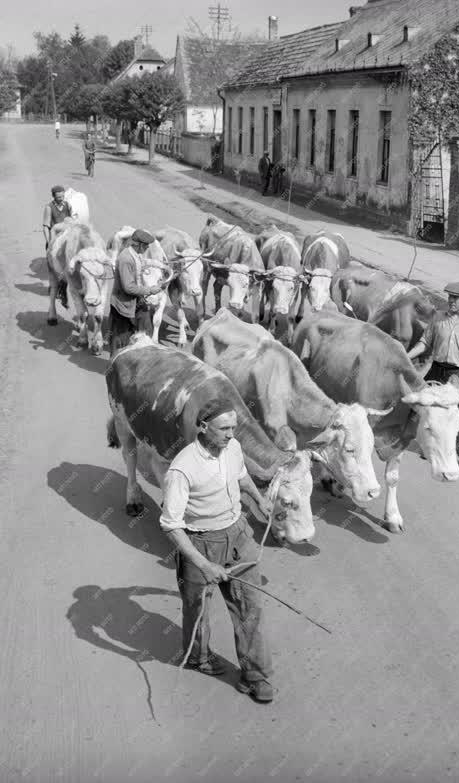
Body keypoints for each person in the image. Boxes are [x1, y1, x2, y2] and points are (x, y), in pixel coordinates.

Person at [160, 399, 274, 703]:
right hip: (200, 543)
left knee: (250, 607)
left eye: (234, 427)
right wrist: (203, 564)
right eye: (224, 428)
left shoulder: (232, 447)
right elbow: (171, 525)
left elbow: (240, 475)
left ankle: (255, 674)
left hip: (238, 535)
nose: (231, 434)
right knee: (197, 609)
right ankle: (199, 657)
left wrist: (258, 497)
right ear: (203, 426)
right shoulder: (182, 469)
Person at [408, 282, 459, 473]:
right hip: (438, 371)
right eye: (450, 297)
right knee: (433, 413)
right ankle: (432, 449)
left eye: (455, 298)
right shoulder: (438, 318)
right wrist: (407, 355)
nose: (450, 301)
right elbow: (425, 342)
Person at [107, 228, 162, 356]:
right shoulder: (126, 259)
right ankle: (115, 365)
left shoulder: (136, 255)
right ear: (139, 245)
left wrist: (164, 267)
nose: (148, 248)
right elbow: (129, 287)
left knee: (146, 331)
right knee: (121, 340)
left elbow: (143, 263)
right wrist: (150, 290)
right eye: (146, 245)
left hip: (137, 302)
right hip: (123, 305)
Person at [42, 185, 74, 308]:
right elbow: (45, 226)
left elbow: (71, 220)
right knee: (54, 269)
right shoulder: (49, 208)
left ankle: (63, 290)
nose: (61, 199)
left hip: (66, 239)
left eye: (62, 196)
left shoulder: (67, 205)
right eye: (58, 197)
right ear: (53, 197)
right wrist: (49, 242)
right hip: (54, 239)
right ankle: (54, 286)